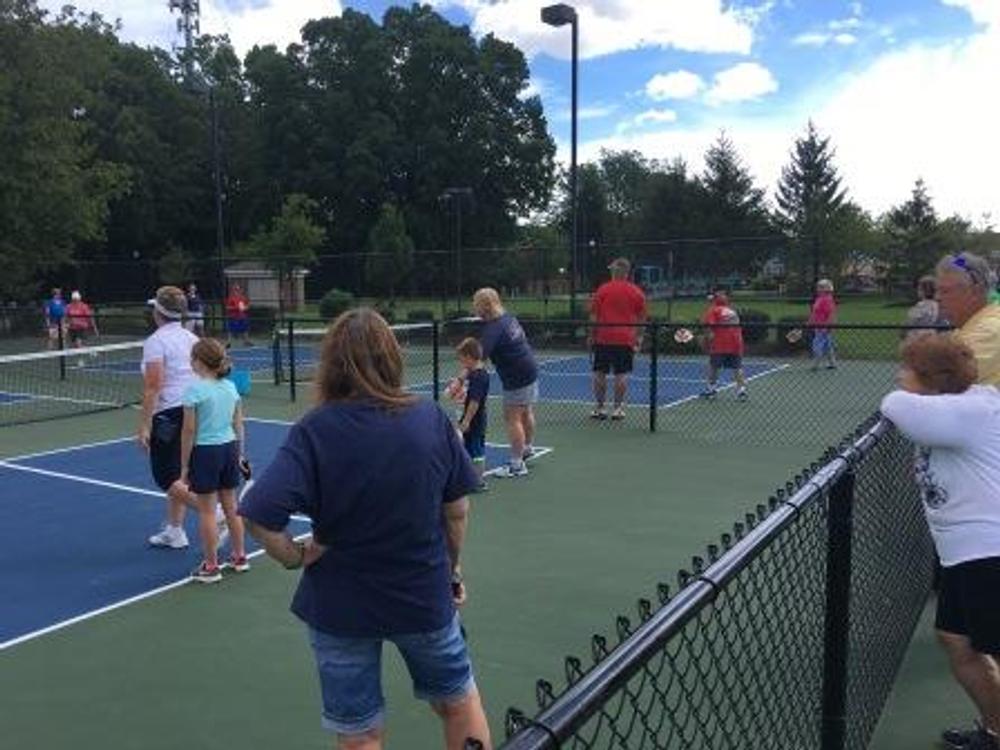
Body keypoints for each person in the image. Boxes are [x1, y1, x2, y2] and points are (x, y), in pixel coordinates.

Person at [239, 308, 491, 750]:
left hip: (340, 606)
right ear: (391, 357)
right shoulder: (429, 419)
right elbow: (456, 512)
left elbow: (258, 514)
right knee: (458, 704)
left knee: (359, 735)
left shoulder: (315, 429)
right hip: (422, 595)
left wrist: (293, 556)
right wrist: (450, 573)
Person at [880, 334, 1000, 750]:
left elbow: (896, 407)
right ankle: (995, 730)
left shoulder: (970, 410)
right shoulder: (961, 406)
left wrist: (902, 395)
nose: (899, 377)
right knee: (957, 639)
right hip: (964, 553)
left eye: (907, 370)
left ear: (931, 379)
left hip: (989, 550)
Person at [179, 338, 249, 582]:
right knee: (231, 506)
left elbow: (188, 432)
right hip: (229, 449)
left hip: (206, 453)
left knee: (207, 512)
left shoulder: (193, 391)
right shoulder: (230, 388)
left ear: (200, 362)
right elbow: (238, 423)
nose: (190, 362)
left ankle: (211, 567)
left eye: (192, 358)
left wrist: (185, 466)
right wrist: (240, 454)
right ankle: (240, 557)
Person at [140, 286, 200, 549]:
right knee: (179, 473)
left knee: (165, 477)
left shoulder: (156, 341)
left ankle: (217, 513)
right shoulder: (192, 339)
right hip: (195, 409)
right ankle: (175, 531)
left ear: (159, 312)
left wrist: (144, 425)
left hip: (170, 415)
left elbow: (154, 386)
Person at [473, 287, 538, 478]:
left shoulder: (492, 329)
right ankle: (527, 449)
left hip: (517, 375)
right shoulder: (508, 318)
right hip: (529, 369)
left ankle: (517, 465)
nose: (474, 307)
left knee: (513, 418)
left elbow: (480, 359)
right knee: (525, 411)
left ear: (483, 306)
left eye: (476, 303)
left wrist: (462, 378)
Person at [588, 257, 648, 421]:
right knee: (621, 374)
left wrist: (591, 336)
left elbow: (593, 316)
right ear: (627, 273)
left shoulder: (602, 290)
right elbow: (642, 319)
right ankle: (618, 409)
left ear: (615, 271)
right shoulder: (637, 292)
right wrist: (639, 338)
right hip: (625, 339)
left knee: (599, 373)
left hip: (604, 338)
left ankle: (600, 408)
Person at [936, 252, 1000, 386]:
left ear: (975, 292)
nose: (938, 297)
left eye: (945, 291)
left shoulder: (990, 330)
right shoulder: (971, 326)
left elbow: (939, 382)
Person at [454, 337, 490, 492]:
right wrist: (459, 380)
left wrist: (467, 421)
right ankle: (471, 478)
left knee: (476, 452)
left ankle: (478, 481)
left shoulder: (478, 377)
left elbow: (475, 402)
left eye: (462, 360)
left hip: (475, 421)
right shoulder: (474, 372)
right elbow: (463, 376)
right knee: (469, 449)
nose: (462, 364)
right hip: (471, 418)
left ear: (469, 357)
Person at [699, 291, 748, 401]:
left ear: (714, 301)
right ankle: (742, 392)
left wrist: (705, 342)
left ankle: (711, 391)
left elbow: (709, 329)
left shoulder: (713, 310)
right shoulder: (732, 311)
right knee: (737, 368)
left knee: (714, 367)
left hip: (721, 343)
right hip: (737, 343)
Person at [809, 279, 838, 370]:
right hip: (818, 326)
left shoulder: (827, 299)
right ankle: (833, 363)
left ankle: (815, 364)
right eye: (818, 287)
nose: (818, 289)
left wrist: (827, 326)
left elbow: (831, 314)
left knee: (818, 344)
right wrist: (810, 322)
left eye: (821, 287)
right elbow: (815, 313)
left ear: (827, 289)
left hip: (823, 327)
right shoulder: (819, 299)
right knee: (827, 345)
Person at [905, 275, 942, 340]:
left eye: (919, 289)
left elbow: (912, 320)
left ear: (924, 291)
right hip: (932, 334)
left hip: (917, 335)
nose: (918, 291)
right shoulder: (937, 305)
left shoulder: (921, 305)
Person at [65, 291, 99, 363]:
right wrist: (66, 325)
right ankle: (91, 351)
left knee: (78, 343)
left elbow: (90, 317)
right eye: (74, 299)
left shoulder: (84, 306)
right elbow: (66, 317)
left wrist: (94, 328)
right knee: (74, 345)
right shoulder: (68, 306)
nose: (75, 300)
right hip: (72, 328)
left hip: (81, 328)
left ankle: (80, 360)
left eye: (77, 299)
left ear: (79, 299)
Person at [224, 284, 252, 348]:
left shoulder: (243, 297)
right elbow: (227, 307)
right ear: (233, 290)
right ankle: (229, 342)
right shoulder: (231, 298)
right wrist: (235, 308)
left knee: (245, 329)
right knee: (231, 330)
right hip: (233, 317)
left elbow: (247, 305)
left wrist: (245, 308)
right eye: (235, 289)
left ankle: (246, 341)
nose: (237, 291)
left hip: (242, 316)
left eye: (238, 289)